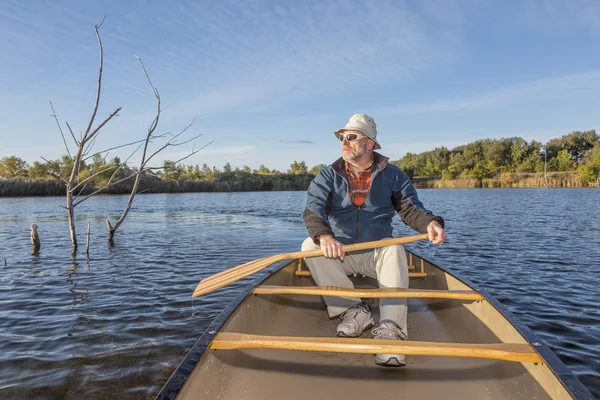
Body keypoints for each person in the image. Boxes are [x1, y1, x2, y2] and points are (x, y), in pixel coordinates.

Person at [302, 113, 446, 367]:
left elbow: (411, 210)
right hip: (340, 253)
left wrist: (431, 223)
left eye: (352, 137)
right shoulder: (328, 175)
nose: (344, 142)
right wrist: (324, 236)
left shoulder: (393, 175)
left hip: (376, 253)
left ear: (370, 144)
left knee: (394, 247)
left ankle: (391, 329)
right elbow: (313, 210)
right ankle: (355, 310)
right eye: (342, 137)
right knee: (309, 245)